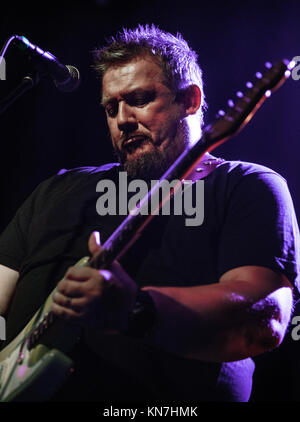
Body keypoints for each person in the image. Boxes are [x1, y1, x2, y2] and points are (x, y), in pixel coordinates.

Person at [0, 24, 299, 403]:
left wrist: (136, 310)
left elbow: (263, 318)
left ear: (190, 100)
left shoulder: (247, 185)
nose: (122, 119)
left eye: (139, 99)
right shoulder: (57, 189)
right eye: (111, 108)